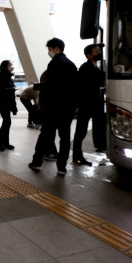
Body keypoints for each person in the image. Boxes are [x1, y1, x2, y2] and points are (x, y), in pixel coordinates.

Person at [28, 38, 78, 176]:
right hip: (67, 108)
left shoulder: (54, 63)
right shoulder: (71, 65)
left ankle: (37, 162)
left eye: (49, 49)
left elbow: (51, 85)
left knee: (45, 135)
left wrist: (36, 86)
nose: (49, 52)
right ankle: (62, 167)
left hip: (53, 107)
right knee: (65, 137)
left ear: (56, 48)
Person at [73, 44, 107, 162]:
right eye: (96, 52)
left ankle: (81, 154)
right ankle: (77, 155)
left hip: (93, 104)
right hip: (86, 105)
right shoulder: (86, 67)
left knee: (91, 127)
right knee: (81, 131)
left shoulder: (94, 66)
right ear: (88, 55)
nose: (99, 53)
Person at [0, 60, 18, 151]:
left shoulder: (9, 77)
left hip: (7, 103)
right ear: (5, 67)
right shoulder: (1, 77)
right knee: (7, 122)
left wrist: (12, 89)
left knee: (7, 122)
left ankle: (6, 143)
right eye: (10, 65)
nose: (12, 66)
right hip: (2, 103)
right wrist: (12, 89)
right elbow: (1, 90)